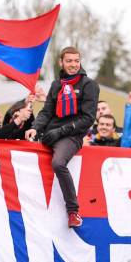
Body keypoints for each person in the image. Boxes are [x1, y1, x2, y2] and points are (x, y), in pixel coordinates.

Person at [26, 47, 99, 228]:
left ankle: (73, 211)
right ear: (61, 63)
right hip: (50, 133)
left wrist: (61, 131)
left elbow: (88, 119)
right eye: (69, 61)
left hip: (71, 136)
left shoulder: (89, 85)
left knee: (58, 163)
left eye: (76, 61)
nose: (73, 64)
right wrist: (35, 128)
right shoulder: (56, 85)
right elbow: (46, 111)